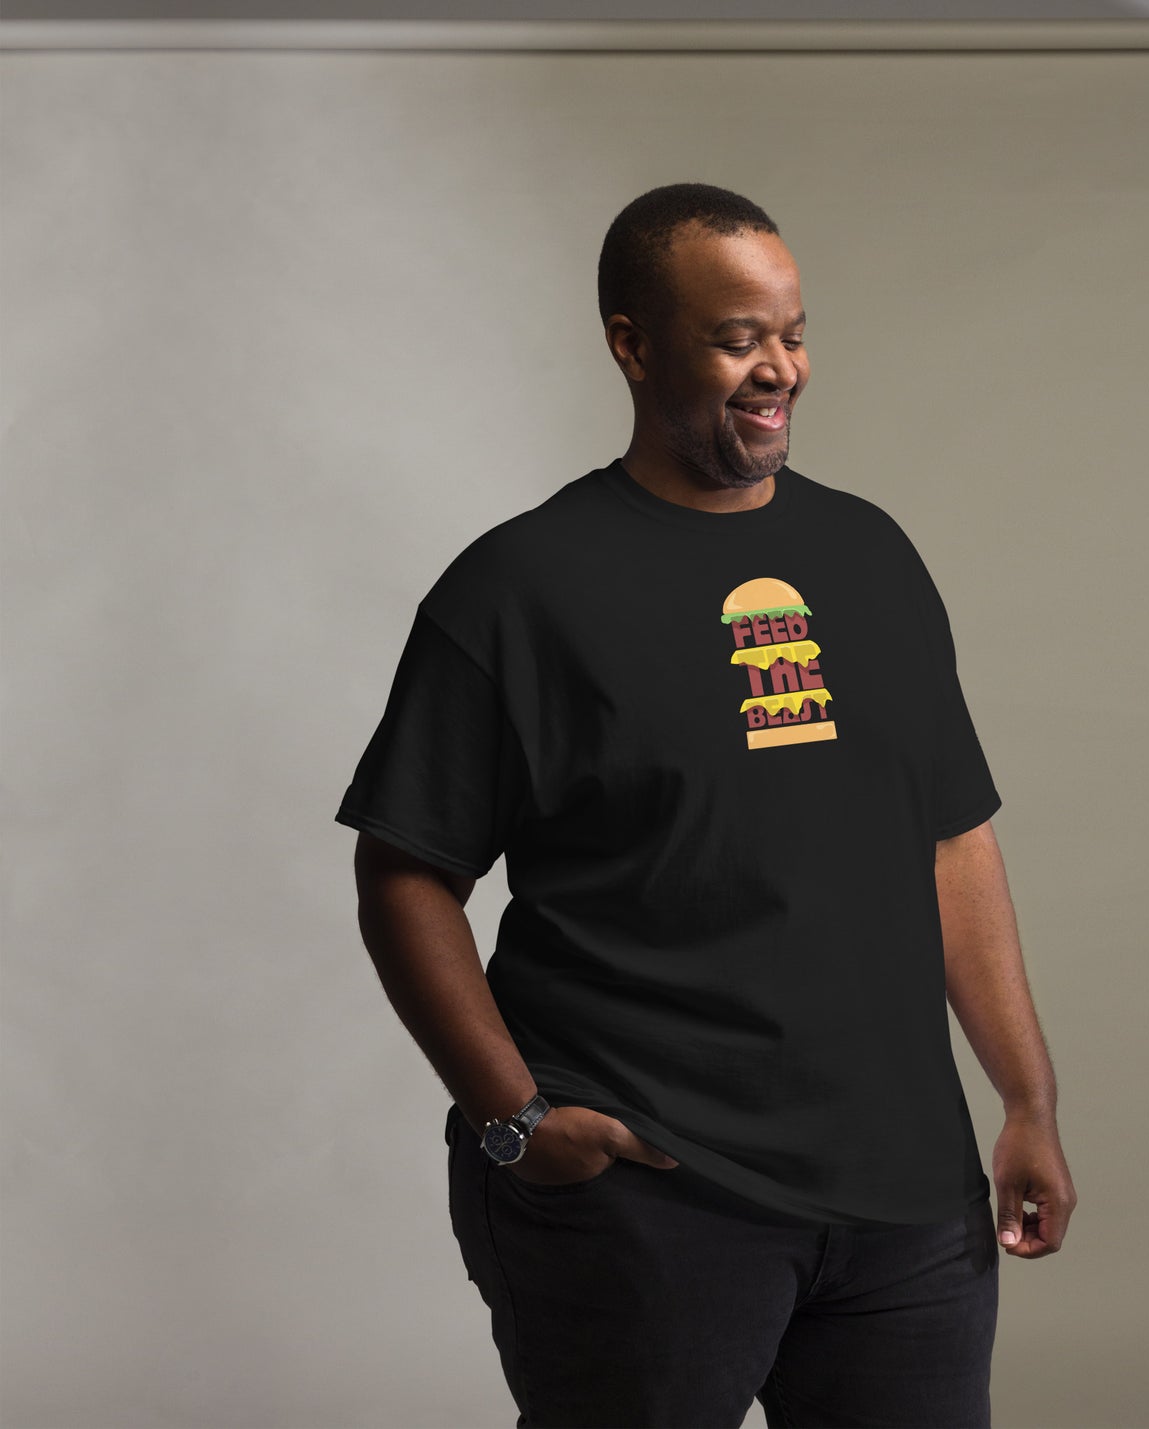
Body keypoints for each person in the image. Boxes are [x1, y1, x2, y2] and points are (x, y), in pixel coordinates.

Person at [336, 181, 1076, 1429]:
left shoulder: (872, 557)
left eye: (790, 332)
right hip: (649, 1199)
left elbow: (951, 839)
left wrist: (1026, 1102)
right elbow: (404, 871)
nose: (776, 367)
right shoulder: (519, 587)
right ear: (632, 342)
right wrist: (514, 1119)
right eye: (737, 337)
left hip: (905, 1205)